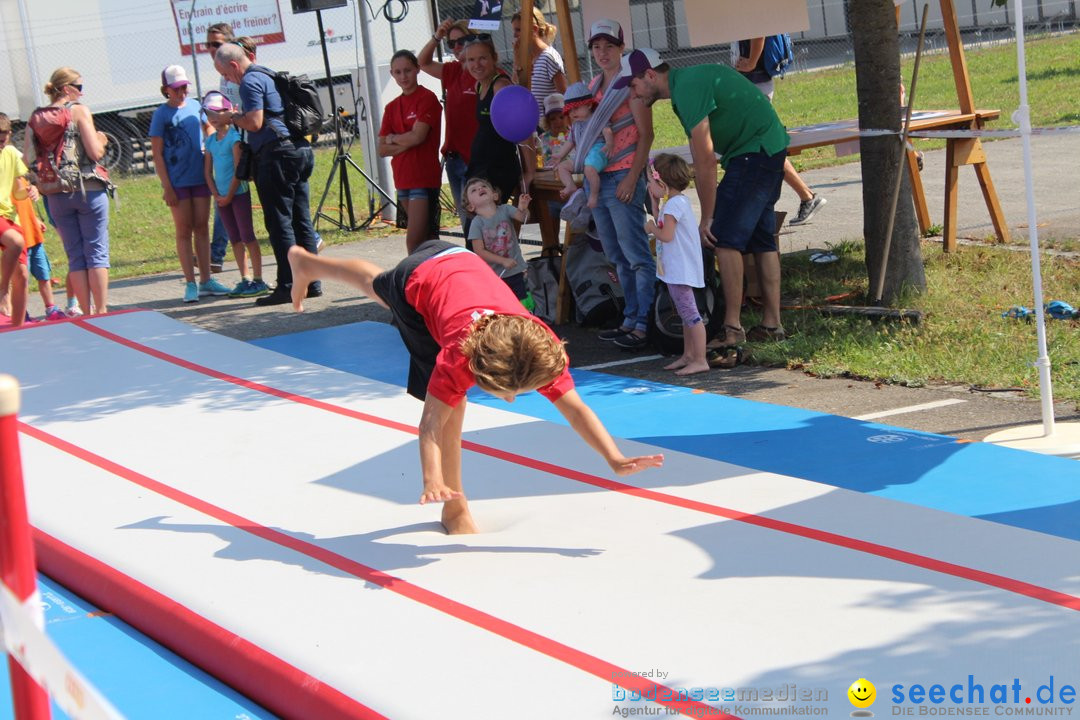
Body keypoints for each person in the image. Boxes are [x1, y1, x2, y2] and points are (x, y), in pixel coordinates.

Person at [285, 241, 664, 534]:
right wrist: (432, 479)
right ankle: (455, 505)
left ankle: (307, 263)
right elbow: (430, 424)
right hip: (419, 281)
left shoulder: (537, 347)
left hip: (457, 259)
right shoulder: (457, 358)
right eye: (507, 393)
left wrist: (613, 457)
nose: (513, 398)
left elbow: (575, 408)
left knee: (373, 284)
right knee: (453, 403)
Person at [619, 48, 789, 348]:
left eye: (633, 85)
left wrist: (707, 217)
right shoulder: (686, 85)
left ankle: (732, 329)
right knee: (763, 240)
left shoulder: (687, 89)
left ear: (649, 75)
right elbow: (701, 158)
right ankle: (772, 325)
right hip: (765, 148)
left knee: (723, 239)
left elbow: (706, 160)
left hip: (754, 152)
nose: (632, 94)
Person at [214, 41, 321, 306]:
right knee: (300, 220)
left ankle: (288, 285)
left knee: (280, 223)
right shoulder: (267, 74)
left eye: (226, 73)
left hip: (276, 157)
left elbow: (255, 122)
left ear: (235, 65)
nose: (227, 79)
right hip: (298, 150)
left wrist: (231, 118)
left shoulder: (250, 82)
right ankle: (313, 282)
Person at [580, 19, 655, 351]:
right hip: (601, 176)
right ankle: (630, 317)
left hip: (623, 175)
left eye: (609, 46)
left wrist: (632, 176)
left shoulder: (629, 85)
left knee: (636, 254)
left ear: (621, 48)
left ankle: (646, 322)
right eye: (596, 46)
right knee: (616, 255)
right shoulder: (593, 86)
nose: (602, 52)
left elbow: (646, 134)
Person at [26, 67, 111, 315]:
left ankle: (85, 312)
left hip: (55, 194)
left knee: (75, 255)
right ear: (66, 89)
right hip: (88, 189)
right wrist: (102, 141)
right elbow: (95, 153)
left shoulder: (36, 117)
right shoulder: (79, 111)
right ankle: (101, 311)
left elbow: (28, 157)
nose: (82, 93)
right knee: (95, 251)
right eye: (79, 87)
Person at [149, 65, 231, 304]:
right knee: (184, 231)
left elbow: (209, 128)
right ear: (166, 90)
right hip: (178, 181)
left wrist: (214, 137)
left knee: (202, 227)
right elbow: (157, 153)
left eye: (184, 87)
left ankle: (206, 280)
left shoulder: (196, 107)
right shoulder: (161, 114)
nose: (182, 92)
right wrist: (167, 187)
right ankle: (190, 283)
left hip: (200, 177)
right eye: (177, 89)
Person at [736, 37, 826, 226]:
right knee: (763, 146)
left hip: (755, 82)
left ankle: (807, 197)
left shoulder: (750, 8)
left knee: (766, 147)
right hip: (752, 81)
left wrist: (751, 62)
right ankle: (806, 197)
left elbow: (758, 30)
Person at [643, 154, 707, 375]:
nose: (649, 186)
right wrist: (654, 203)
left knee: (690, 314)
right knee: (684, 312)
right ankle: (689, 355)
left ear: (662, 183)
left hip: (680, 269)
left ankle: (700, 359)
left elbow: (666, 234)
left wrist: (651, 229)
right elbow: (664, 220)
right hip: (676, 269)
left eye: (651, 182)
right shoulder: (675, 203)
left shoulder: (673, 207)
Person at [202, 91, 268, 298]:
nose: (213, 117)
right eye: (208, 112)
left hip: (237, 194)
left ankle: (258, 279)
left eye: (217, 111)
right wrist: (216, 195)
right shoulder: (211, 141)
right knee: (235, 239)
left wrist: (229, 195)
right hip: (222, 198)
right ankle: (245, 278)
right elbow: (207, 172)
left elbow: (239, 171)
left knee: (247, 236)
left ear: (229, 112)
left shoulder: (234, 138)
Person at [418, 19, 480, 234]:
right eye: (451, 43)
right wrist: (437, 37)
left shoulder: (484, 71)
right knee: (467, 224)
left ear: (473, 37)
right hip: (455, 158)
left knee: (479, 224)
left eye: (462, 41)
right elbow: (423, 62)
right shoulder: (453, 70)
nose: (456, 47)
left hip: (477, 158)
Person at [379, 50, 442, 254]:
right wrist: (408, 138)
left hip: (422, 178)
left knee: (413, 242)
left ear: (417, 69)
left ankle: (416, 281)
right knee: (427, 239)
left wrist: (394, 138)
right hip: (403, 179)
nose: (403, 76)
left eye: (407, 70)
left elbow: (419, 137)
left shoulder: (427, 98)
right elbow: (381, 149)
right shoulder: (391, 107)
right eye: (398, 72)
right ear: (392, 74)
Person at [463, 35, 534, 219]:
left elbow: (523, 129)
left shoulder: (500, 86)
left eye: (482, 58)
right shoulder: (480, 85)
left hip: (497, 169)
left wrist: (529, 171)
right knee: (477, 229)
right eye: (471, 60)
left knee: (487, 230)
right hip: (481, 167)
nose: (476, 64)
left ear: (494, 58)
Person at [205, 22, 241, 271]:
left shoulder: (236, 72)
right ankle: (215, 256)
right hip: (232, 138)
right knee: (224, 194)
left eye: (216, 44)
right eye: (208, 44)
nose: (210, 48)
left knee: (271, 196)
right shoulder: (222, 75)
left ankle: (311, 239)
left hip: (245, 140)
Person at [464, 177, 530, 301]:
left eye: (483, 186)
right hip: (495, 275)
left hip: (516, 270)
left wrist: (523, 208)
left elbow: (523, 218)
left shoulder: (505, 209)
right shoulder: (477, 223)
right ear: (470, 206)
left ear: (494, 195)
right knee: (503, 305)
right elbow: (479, 251)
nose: (480, 188)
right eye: (473, 190)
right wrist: (502, 261)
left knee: (522, 302)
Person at [551, 82, 614, 209]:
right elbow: (570, 142)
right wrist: (560, 155)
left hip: (596, 150)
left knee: (589, 170)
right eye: (570, 110)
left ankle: (594, 195)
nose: (573, 113)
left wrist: (609, 143)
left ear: (589, 105)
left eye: (577, 108)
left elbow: (607, 130)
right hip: (582, 156)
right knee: (562, 167)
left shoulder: (597, 119)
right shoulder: (575, 125)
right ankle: (570, 185)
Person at [511, 7, 567, 116]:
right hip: (531, 125)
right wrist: (517, 59)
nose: (514, 35)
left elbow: (564, 94)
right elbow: (518, 87)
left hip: (548, 128)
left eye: (518, 30)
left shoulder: (549, 57)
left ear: (534, 29)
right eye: (514, 30)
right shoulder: (525, 58)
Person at [0, 123, 29, 326]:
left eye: (5, 133)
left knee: (23, 276)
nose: (2, 138)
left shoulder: (10, 152)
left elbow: (19, 190)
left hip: (9, 216)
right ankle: (3, 290)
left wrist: (31, 190)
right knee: (16, 242)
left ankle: (17, 328)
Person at [538, 92, 568, 166]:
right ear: (547, 121)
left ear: (568, 117)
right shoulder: (542, 139)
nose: (558, 121)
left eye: (561, 117)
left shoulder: (574, 136)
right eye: (553, 119)